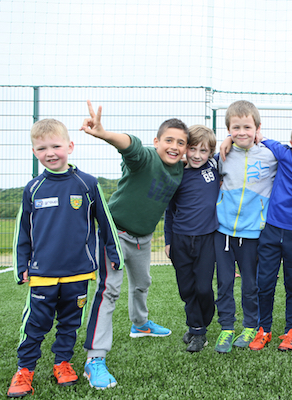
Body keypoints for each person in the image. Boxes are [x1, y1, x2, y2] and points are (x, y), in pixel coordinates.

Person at [8, 119, 122, 398]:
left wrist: (114, 252)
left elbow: (105, 222)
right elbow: (23, 231)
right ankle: (25, 370)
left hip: (78, 272)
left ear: (70, 146)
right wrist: (21, 265)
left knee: (70, 323)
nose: (50, 152)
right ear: (34, 152)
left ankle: (63, 363)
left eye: (56, 146)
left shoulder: (88, 184)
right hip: (42, 273)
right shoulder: (32, 188)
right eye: (41, 148)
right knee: (35, 323)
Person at [81, 101, 188, 389]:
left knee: (142, 283)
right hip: (114, 235)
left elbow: (206, 147)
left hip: (143, 239)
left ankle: (140, 324)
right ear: (157, 141)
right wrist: (104, 133)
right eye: (169, 140)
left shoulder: (180, 168)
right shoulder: (146, 158)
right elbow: (130, 145)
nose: (175, 146)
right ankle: (94, 359)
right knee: (110, 291)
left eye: (181, 142)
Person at [246, 120, 292, 352]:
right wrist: (230, 138)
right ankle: (263, 329)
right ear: (291, 144)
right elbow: (260, 137)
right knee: (265, 282)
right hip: (270, 230)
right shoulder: (283, 153)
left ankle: (291, 331)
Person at [213, 100, 277, 353]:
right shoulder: (222, 157)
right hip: (223, 231)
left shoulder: (270, 156)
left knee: (251, 284)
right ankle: (226, 327)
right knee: (225, 282)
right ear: (228, 129)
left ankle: (250, 325)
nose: (241, 132)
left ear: (257, 128)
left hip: (253, 233)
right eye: (235, 127)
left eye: (247, 127)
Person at [164, 125, 219, 353]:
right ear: (185, 149)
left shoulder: (215, 166)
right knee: (187, 289)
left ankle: (200, 324)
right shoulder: (176, 173)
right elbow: (169, 211)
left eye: (203, 151)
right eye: (193, 149)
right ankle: (197, 330)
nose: (197, 155)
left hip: (207, 239)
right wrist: (168, 241)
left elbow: (232, 148)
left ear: (210, 152)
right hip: (180, 239)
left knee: (204, 289)